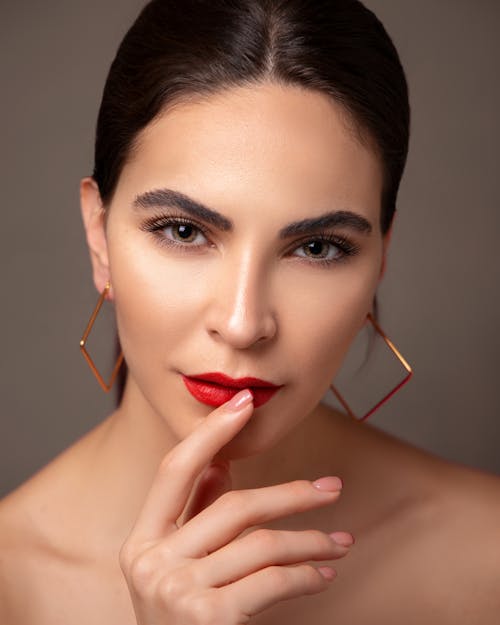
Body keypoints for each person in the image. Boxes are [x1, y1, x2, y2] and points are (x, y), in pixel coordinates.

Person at [1, 1, 499, 623]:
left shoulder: (488, 559)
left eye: (317, 248)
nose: (242, 324)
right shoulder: (12, 585)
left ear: (382, 256)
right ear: (99, 237)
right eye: (183, 231)